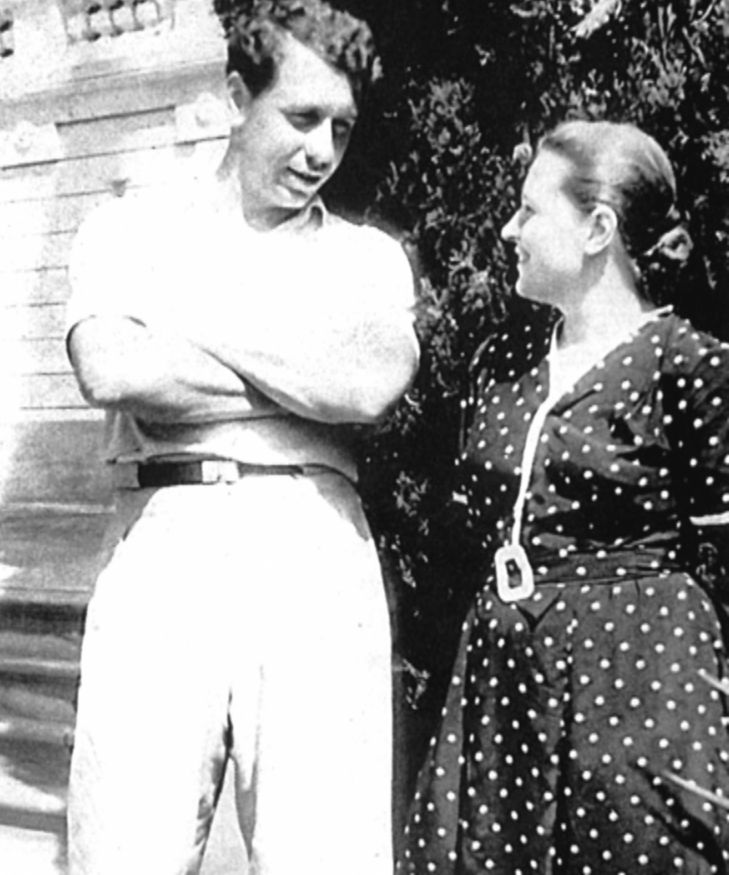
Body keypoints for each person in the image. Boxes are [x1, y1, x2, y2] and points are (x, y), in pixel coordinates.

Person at [64, 2, 419, 873]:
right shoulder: (131, 226)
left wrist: (182, 318)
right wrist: (301, 381)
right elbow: (111, 369)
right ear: (234, 97)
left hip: (313, 547)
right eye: (300, 117)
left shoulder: (366, 259)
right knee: (125, 850)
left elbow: (366, 386)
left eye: (341, 127)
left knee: (324, 855)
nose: (321, 151)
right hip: (164, 540)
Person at [399, 120, 729, 874]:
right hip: (502, 677)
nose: (508, 230)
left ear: (597, 229)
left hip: (639, 675)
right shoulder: (503, 362)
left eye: (529, 210)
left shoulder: (687, 365)